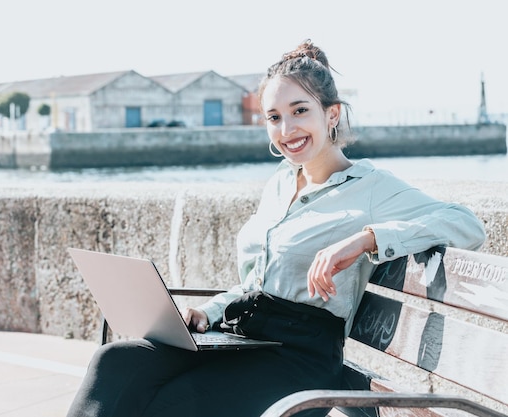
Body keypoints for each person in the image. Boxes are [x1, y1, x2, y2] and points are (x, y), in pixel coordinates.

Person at [66, 39, 486, 417]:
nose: (287, 131)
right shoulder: (282, 182)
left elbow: (467, 224)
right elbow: (255, 284)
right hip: (244, 336)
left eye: (300, 111)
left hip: (299, 357)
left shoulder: (371, 188)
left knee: (172, 403)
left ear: (332, 113)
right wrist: (206, 312)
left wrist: (368, 239)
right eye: (274, 117)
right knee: (117, 362)